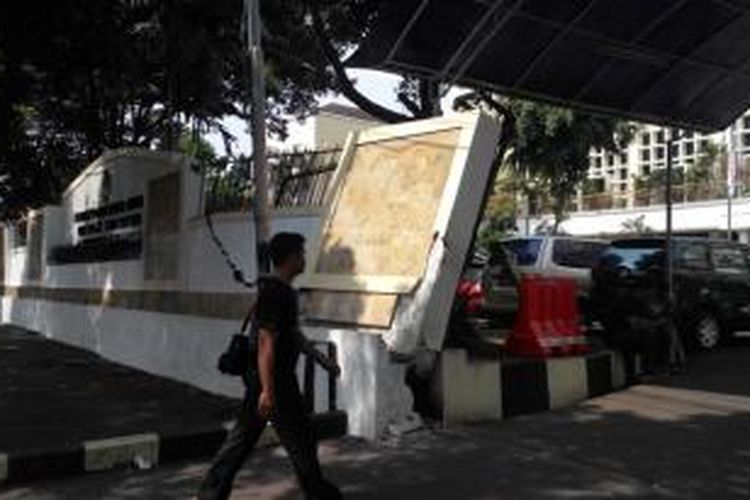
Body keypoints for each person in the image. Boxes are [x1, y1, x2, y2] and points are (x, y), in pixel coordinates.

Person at [198, 232, 342, 500]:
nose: (304, 258)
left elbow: (292, 335)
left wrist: (322, 360)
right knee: (299, 442)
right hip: (275, 383)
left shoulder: (282, 292)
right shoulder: (276, 292)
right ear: (290, 258)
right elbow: (266, 342)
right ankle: (320, 494)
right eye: (301, 253)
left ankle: (211, 493)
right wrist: (268, 390)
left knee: (243, 443)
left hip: (270, 382)